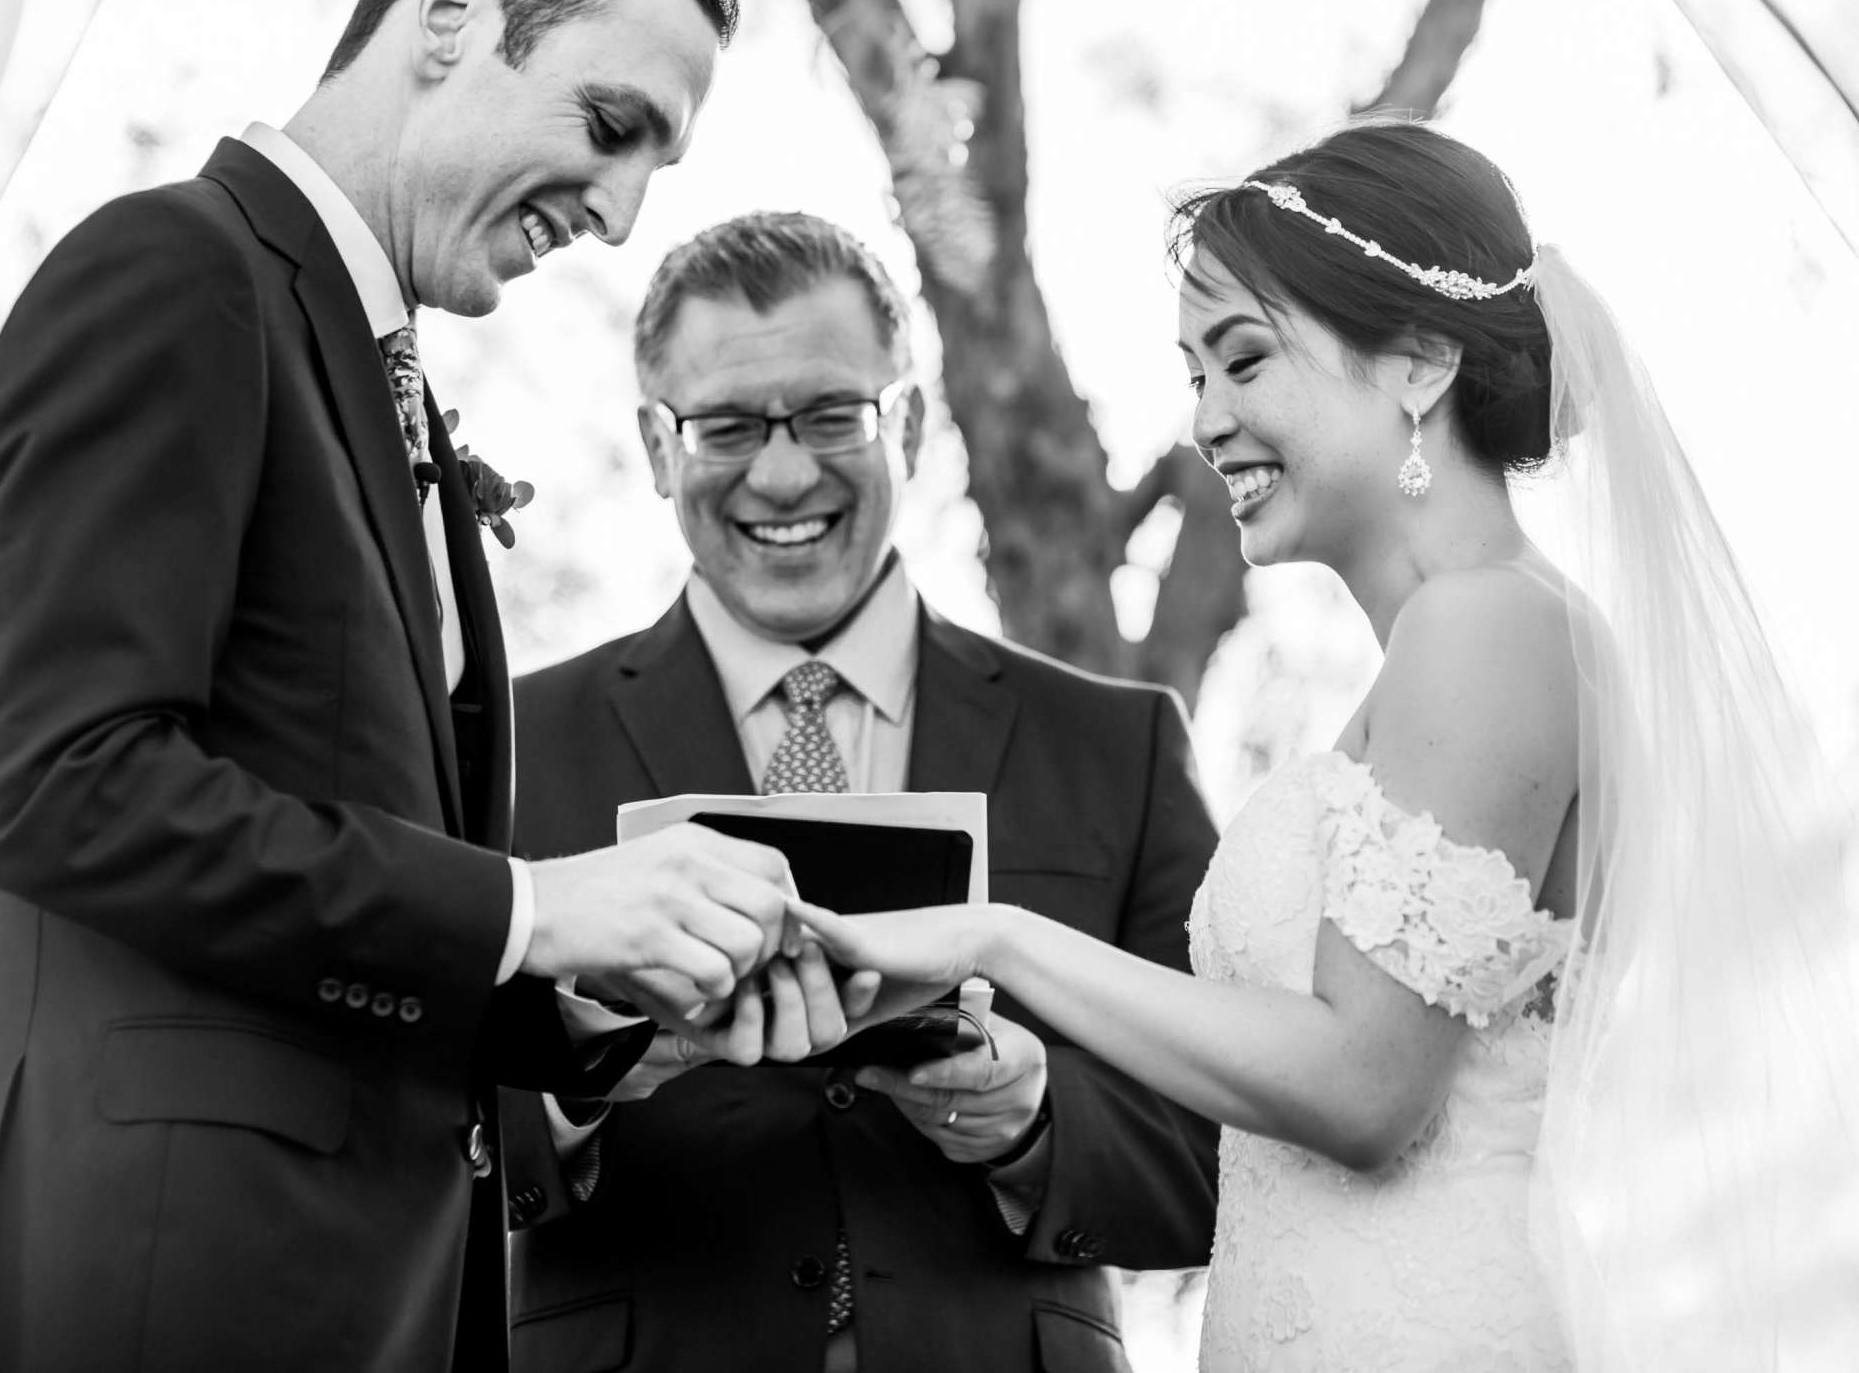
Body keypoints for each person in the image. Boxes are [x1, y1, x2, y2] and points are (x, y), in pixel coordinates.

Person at [0, 0, 811, 1373]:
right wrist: (539, 906)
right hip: (161, 1288)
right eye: (611, 127)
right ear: (449, 18)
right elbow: (66, 785)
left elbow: (350, 858)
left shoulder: (369, 373)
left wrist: (608, 1001)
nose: (622, 213)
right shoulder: (176, 273)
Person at [795, 118, 1859, 1370]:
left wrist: (995, 934)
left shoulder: (1492, 625)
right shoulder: (1443, 645)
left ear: (1418, 362)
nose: (1207, 418)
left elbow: (1365, 1089)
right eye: (1196, 375)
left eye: (1242, 359)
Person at [498, 212, 1221, 1372]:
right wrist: (581, 1065)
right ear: (652, 445)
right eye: (726, 425)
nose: (783, 472)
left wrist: (1033, 1120)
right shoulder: (508, 745)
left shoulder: (1116, 745)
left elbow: (1224, 1151)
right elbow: (399, 1133)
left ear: (915, 424)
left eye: (832, 414)